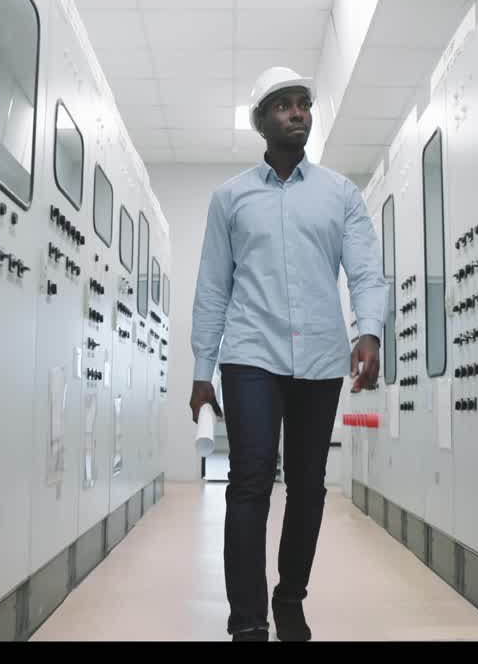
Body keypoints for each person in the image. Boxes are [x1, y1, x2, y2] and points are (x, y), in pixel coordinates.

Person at [189, 66, 387, 642]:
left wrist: (368, 332)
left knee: (307, 485)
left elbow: (367, 273)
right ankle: (248, 618)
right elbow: (211, 288)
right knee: (249, 481)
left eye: (303, 103)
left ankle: (290, 597)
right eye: (283, 105)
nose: (298, 112)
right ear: (262, 121)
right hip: (251, 352)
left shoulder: (340, 194)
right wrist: (203, 370)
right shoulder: (230, 199)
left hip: (322, 357)